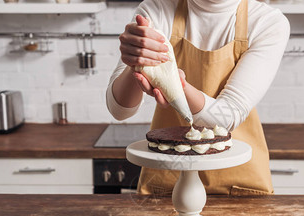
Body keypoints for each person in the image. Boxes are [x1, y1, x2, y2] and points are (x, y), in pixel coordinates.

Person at [106, 0, 290, 196]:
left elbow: (226, 117)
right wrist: (136, 61)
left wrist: (173, 83)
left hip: (238, 184)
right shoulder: (158, 10)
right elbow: (120, 110)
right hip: (169, 182)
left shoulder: (266, 22)